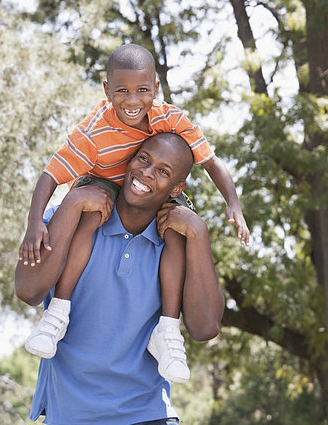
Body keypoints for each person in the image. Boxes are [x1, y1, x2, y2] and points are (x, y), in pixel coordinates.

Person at [20, 44, 248, 381]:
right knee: (89, 215)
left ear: (155, 89)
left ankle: (168, 330)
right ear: (107, 90)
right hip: (99, 183)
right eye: (122, 90)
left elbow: (209, 160)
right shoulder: (93, 131)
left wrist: (233, 202)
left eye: (142, 90)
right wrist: (35, 222)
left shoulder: (170, 117)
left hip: (147, 409)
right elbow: (51, 174)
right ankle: (59, 310)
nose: (132, 100)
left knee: (176, 227)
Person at [15, 133, 225, 425]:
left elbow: (205, 328)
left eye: (163, 172)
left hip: (148, 415)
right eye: (144, 159)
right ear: (129, 160)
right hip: (68, 415)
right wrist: (73, 201)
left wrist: (199, 233)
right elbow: (27, 289)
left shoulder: (176, 247)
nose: (147, 173)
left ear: (177, 188)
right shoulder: (72, 218)